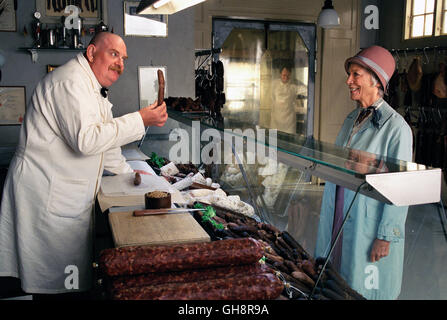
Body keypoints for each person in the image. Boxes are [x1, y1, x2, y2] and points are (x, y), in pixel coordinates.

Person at [0, 32, 168, 296]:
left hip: (65, 194)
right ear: (91, 53)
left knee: (69, 281)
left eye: (123, 58)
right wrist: (140, 120)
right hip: (47, 195)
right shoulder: (70, 82)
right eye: (113, 54)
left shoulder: (92, 87)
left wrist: (129, 172)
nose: (120, 64)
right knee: (56, 286)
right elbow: (86, 140)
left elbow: (105, 143)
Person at [314, 45, 413, 300]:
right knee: (337, 273)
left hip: (368, 220)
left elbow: (401, 187)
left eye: (355, 74)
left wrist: (385, 236)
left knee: (365, 286)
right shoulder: (352, 119)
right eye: (350, 75)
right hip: (341, 207)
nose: (348, 81)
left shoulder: (397, 129)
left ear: (375, 81)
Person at [270, 66, 306, 134]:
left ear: (290, 74)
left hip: (289, 122)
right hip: (275, 120)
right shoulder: (274, 84)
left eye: (288, 75)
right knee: (274, 141)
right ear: (280, 74)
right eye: (284, 75)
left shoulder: (294, 85)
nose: (286, 77)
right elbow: (270, 99)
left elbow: (307, 91)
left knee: (289, 141)